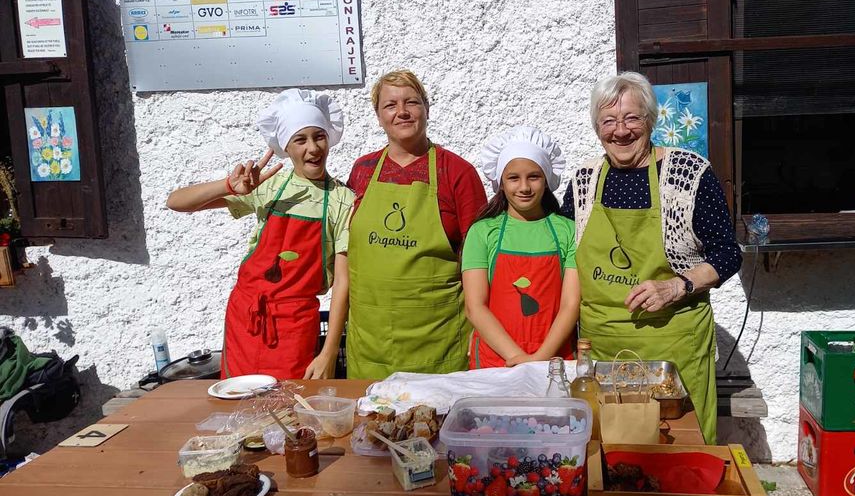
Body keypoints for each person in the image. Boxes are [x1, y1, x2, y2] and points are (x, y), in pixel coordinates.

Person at [562, 72, 741, 443]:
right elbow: (562, 256)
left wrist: (677, 286)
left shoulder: (688, 174)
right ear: (596, 128)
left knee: (681, 447)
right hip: (603, 346)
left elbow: (727, 253)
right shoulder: (583, 181)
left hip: (674, 345)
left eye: (632, 118)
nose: (620, 131)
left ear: (651, 120)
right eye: (609, 121)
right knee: (610, 448)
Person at [167, 89, 354, 380]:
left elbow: (343, 282)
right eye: (300, 139)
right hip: (246, 318)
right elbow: (177, 202)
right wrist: (228, 186)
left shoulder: (342, 200)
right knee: (238, 403)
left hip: (294, 326)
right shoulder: (267, 186)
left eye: (319, 136)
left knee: (289, 403)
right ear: (286, 147)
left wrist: (328, 352)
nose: (313, 148)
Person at [346, 70, 487, 380]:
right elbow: (344, 249)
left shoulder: (457, 172)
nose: (402, 112)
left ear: (427, 109)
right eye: (390, 105)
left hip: (439, 339)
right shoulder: (362, 170)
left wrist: (481, 330)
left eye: (412, 102)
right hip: (370, 341)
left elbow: (480, 259)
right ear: (378, 117)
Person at [462, 126, 579, 369]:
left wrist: (539, 358)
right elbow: (475, 307)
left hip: (552, 359)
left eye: (533, 177)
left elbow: (570, 305)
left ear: (546, 180)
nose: (524, 187)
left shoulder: (568, 231)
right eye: (513, 178)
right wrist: (517, 358)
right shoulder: (482, 232)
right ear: (501, 183)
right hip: (496, 361)